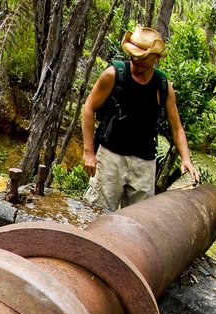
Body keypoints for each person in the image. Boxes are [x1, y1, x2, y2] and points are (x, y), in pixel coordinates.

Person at [81, 25, 200, 211]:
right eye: (134, 56)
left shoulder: (163, 86)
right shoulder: (113, 75)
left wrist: (186, 158)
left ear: (156, 57)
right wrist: (88, 151)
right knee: (96, 213)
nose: (137, 60)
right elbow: (88, 107)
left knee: (138, 221)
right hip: (111, 157)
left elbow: (176, 127)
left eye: (143, 57)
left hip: (144, 163)